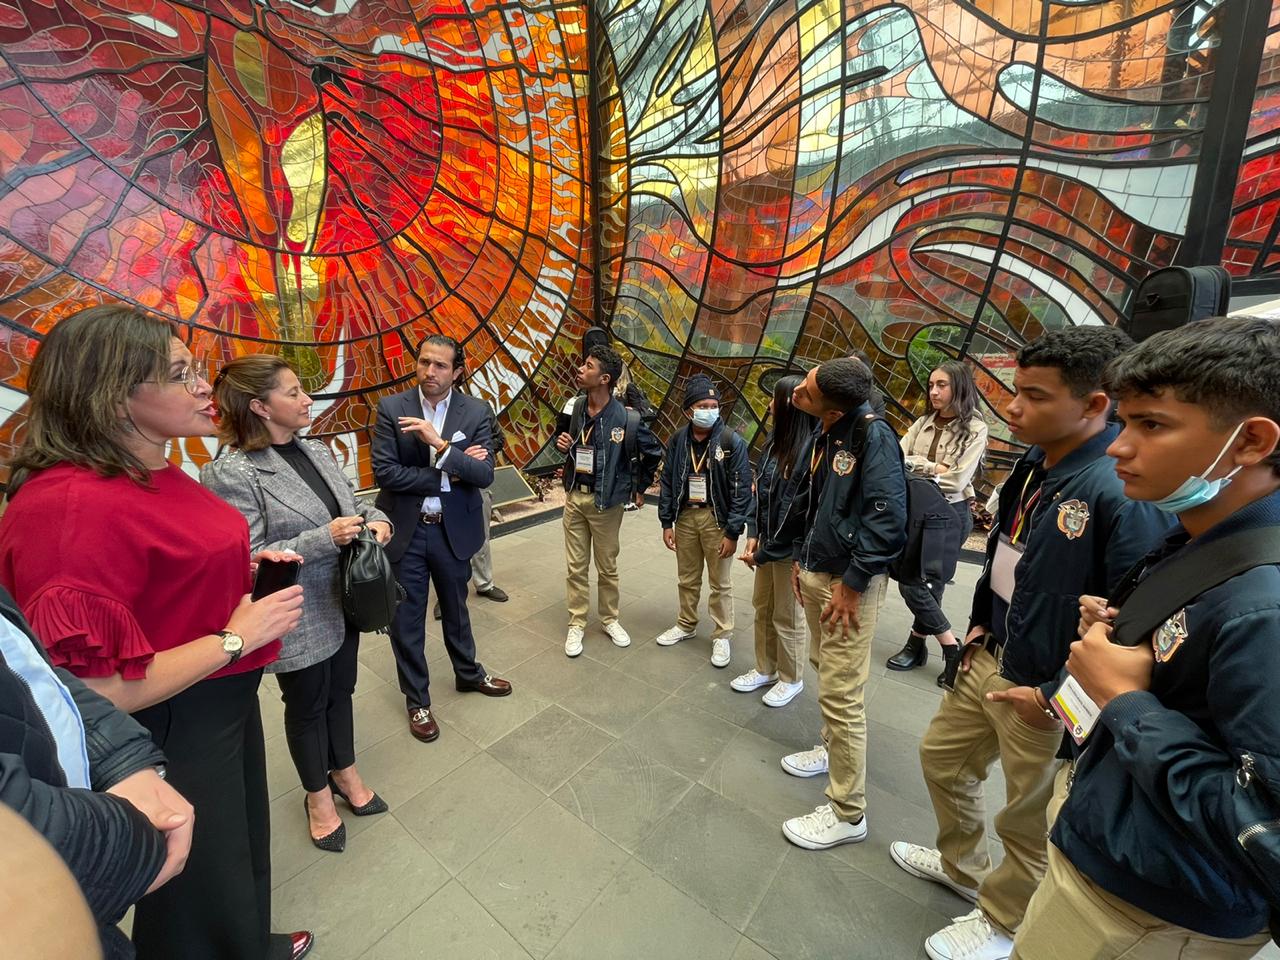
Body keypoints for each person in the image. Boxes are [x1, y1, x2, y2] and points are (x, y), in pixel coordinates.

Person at [0, 304, 312, 960]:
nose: (205, 386)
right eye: (180, 374)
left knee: (238, 852)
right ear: (115, 398)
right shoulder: (67, 508)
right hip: (170, 723)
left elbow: (161, 577)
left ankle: (249, 941)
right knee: (194, 880)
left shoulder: (151, 470)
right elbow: (91, 692)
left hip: (218, 704)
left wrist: (236, 576)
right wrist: (236, 637)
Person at [889, 326, 1167, 960]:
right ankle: (961, 865)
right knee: (943, 760)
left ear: (1095, 404)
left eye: (1033, 396)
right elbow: (1007, 557)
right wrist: (983, 619)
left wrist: (1057, 696)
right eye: (1015, 392)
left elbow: (1129, 621)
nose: (1013, 409)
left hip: (1047, 688)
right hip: (993, 653)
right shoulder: (1033, 464)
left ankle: (1007, 918)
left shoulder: (1120, 491)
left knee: (1027, 812)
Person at [1011, 315, 1280, 960]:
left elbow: (1265, 826)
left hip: (1151, 912)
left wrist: (1126, 703)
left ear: (1251, 442)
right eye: (1125, 422)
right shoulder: (1197, 536)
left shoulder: (1265, 605)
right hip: (1116, 851)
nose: (1117, 447)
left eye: (1151, 425)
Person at [201, 356, 392, 853]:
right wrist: (323, 540)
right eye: (293, 393)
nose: (308, 400)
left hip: (344, 599)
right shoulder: (232, 473)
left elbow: (351, 501)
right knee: (306, 706)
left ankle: (346, 773)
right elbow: (244, 559)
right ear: (259, 407)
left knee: (341, 692)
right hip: (295, 612)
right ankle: (317, 798)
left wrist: (378, 519)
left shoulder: (315, 449)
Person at [0, 585, 185, 960]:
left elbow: (32, 667)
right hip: (46, 897)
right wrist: (136, 839)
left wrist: (122, 758)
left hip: (86, 847)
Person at [775, 356, 907, 849]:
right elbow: (811, 503)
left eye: (806, 391)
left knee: (842, 691)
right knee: (822, 664)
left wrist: (851, 584)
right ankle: (830, 749)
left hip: (846, 586)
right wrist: (798, 559)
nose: (797, 394)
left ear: (832, 406)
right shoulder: (824, 432)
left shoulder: (873, 438)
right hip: (816, 570)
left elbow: (887, 519)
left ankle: (847, 813)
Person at [372, 334, 512, 746]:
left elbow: (486, 476)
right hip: (408, 533)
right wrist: (453, 469)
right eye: (423, 363)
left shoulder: (476, 412)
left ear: (457, 371)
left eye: (440, 366)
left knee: (457, 608)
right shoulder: (392, 409)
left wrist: (439, 445)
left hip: (454, 531)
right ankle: (417, 700)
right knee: (407, 620)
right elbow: (386, 473)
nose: (429, 372)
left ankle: (468, 674)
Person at [554, 343, 662, 657]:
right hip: (575, 497)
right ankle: (577, 622)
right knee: (575, 567)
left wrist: (638, 487)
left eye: (588, 366)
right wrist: (564, 445)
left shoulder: (626, 418)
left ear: (605, 379)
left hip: (606, 504)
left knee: (607, 567)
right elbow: (568, 441)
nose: (580, 369)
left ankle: (610, 619)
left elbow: (653, 452)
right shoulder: (574, 406)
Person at [887, 360, 989, 685]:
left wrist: (917, 470)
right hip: (917, 512)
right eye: (931, 385)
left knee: (921, 581)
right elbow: (896, 462)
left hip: (950, 514)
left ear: (958, 387)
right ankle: (919, 645)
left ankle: (943, 645)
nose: (933, 391)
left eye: (941, 385)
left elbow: (958, 481)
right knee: (921, 579)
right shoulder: (922, 422)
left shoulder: (975, 428)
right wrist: (933, 467)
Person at [655, 373, 754, 667]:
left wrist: (733, 532)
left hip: (716, 520)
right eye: (703, 405)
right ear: (689, 410)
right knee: (687, 578)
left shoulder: (730, 441)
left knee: (720, 582)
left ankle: (722, 635)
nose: (709, 410)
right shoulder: (677, 440)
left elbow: (740, 489)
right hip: (686, 517)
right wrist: (666, 522)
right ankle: (685, 624)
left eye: (714, 405)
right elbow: (668, 481)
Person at [731, 374, 815, 707]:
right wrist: (754, 535)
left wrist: (765, 553)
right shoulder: (773, 442)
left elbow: (798, 513)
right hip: (766, 543)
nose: (768, 404)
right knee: (763, 606)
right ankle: (765, 668)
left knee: (787, 614)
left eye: (774, 398)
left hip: (788, 550)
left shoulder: (808, 452)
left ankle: (791, 678)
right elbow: (759, 493)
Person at [434, 348, 508, 618]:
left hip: (475, 482)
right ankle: (448, 592)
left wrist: (479, 453)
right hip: (438, 484)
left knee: (480, 536)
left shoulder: (479, 409)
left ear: (457, 374)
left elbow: (499, 439)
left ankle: (484, 583)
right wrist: (456, 455)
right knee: (442, 541)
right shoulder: (430, 413)